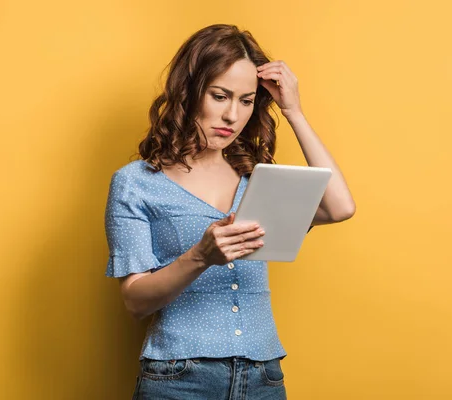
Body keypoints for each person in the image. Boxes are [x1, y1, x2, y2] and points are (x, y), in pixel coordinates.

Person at [104, 24, 355, 400]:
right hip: (178, 379)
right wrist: (200, 257)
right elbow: (135, 301)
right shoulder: (136, 183)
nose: (232, 116)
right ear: (188, 92)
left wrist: (294, 112)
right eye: (220, 96)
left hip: (263, 378)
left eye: (246, 100)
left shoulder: (258, 181)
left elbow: (340, 207)